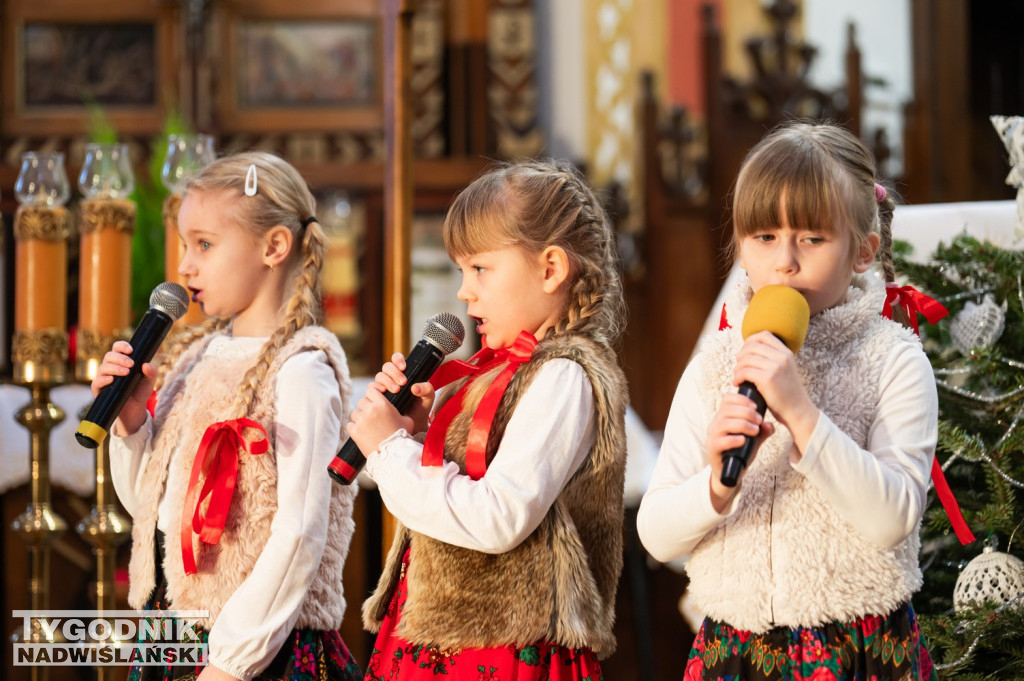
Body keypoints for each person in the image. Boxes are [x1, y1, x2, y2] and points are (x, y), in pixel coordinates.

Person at [637, 122, 938, 680]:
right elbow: (656, 532)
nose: (785, 262)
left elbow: (894, 517)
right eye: (765, 238)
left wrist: (802, 415)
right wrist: (715, 486)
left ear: (863, 251)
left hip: (858, 647)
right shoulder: (714, 367)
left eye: (813, 239)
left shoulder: (893, 360)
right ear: (741, 247)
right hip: (736, 648)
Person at [345, 159, 629, 680]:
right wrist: (417, 435)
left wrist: (389, 452)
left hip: (503, 648)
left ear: (550, 268)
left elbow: (499, 516)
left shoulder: (564, 376)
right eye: (460, 271)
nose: (463, 291)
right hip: (444, 635)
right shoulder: (497, 370)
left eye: (479, 269)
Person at [95, 151, 362, 681]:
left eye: (205, 245)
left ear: (274, 246)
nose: (184, 266)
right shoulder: (192, 360)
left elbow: (298, 533)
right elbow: (153, 514)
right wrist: (129, 425)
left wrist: (230, 663)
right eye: (184, 246)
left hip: (256, 649)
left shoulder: (301, 372)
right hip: (173, 636)